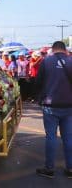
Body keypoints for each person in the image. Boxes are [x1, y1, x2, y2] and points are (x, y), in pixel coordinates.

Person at [35, 41, 72, 179]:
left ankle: (49, 169)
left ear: (53, 49)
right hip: (69, 106)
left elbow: (38, 82)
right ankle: (70, 168)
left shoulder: (46, 61)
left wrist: (39, 97)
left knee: (51, 137)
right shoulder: (71, 60)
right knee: (68, 137)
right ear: (65, 50)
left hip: (50, 105)